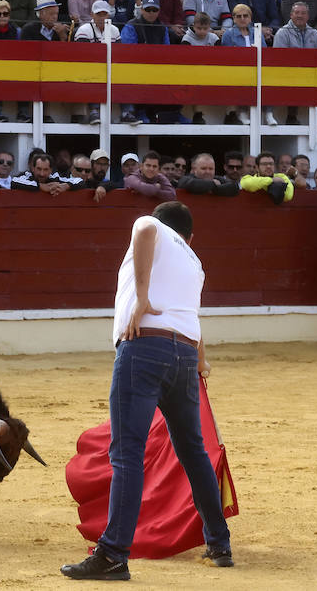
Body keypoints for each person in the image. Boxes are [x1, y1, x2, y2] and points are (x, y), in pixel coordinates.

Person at [60, 200, 234, 581]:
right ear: (190, 237)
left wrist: (140, 297)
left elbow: (142, 230)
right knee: (193, 452)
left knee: (127, 453)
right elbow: (193, 316)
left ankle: (112, 554)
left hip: (144, 349)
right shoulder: (195, 263)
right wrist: (200, 362)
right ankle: (219, 543)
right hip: (184, 355)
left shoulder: (150, 226)